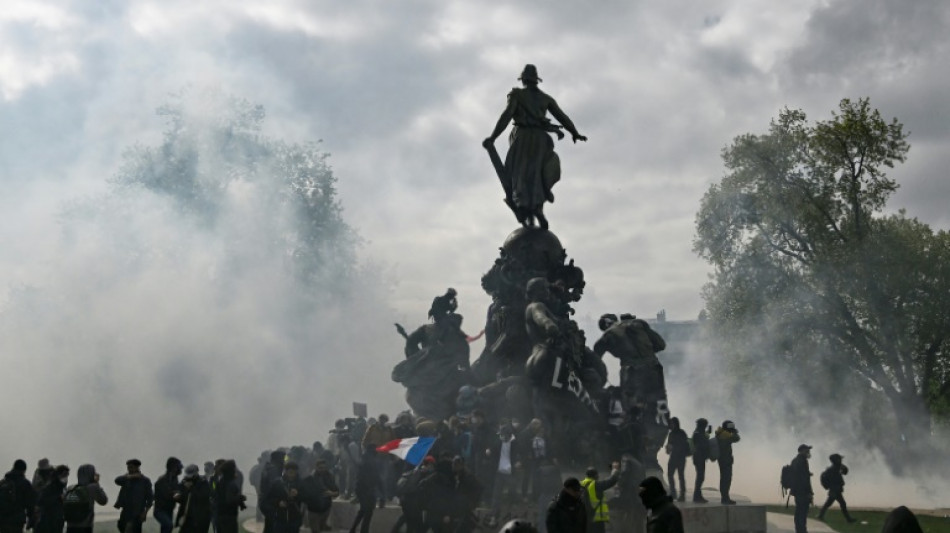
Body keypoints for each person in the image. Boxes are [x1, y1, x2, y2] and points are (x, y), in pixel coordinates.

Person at [483, 64, 587, 229]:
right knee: (537, 176)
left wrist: (493, 136)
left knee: (521, 177)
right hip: (540, 140)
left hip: (522, 139)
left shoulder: (517, 95)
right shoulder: (546, 99)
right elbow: (562, 117)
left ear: (523, 79)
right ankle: (537, 210)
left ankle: (528, 212)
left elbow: (507, 114)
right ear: (536, 80)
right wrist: (574, 132)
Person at [487, 423, 522, 527]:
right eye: (501, 435)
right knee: (496, 495)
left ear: (509, 435)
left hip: (510, 473)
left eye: (504, 436)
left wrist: (519, 461)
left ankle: (512, 515)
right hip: (499, 471)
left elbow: (521, 454)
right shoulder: (498, 441)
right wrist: (488, 451)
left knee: (512, 493)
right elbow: (492, 448)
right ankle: (494, 517)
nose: (502, 437)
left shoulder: (515, 443)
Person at [392, 457, 434, 533]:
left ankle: (394, 530)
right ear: (429, 464)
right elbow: (422, 489)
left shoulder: (414, 472)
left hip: (406, 500)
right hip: (414, 503)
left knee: (409, 523)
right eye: (432, 464)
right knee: (417, 525)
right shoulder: (423, 473)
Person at [64, 464, 109, 533]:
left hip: (70, 525)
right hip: (85, 526)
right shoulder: (92, 487)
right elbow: (103, 501)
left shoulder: (71, 488)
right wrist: (97, 483)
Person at [349, 447, 383, 533]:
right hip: (367, 490)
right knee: (368, 512)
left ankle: (353, 529)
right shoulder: (371, 462)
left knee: (363, 511)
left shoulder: (364, 461)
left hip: (363, 490)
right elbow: (378, 479)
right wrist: (382, 494)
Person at [114, 459, 153, 533]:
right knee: (121, 526)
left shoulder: (145, 481)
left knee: (133, 529)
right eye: (128, 467)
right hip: (126, 510)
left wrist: (145, 512)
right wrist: (129, 477)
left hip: (137, 511)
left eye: (131, 467)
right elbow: (117, 480)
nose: (129, 469)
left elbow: (150, 498)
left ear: (137, 468)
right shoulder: (126, 479)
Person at [262, 463, 303, 533]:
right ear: (285, 471)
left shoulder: (301, 483)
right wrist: (278, 502)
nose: (292, 475)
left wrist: (298, 494)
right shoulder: (277, 483)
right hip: (280, 519)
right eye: (290, 472)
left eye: (294, 472)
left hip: (295, 519)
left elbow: (308, 498)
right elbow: (268, 499)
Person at [579, 464, 620, 533]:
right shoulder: (595, 485)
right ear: (596, 476)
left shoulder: (581, 484)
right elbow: (610, 482)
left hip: (584, 520)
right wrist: (615, 471)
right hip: (596, 520)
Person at [816, 454, 855, 523]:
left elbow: (845, 471)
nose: (841, 460)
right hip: (835, 490)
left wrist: (842, 467)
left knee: (831, 503)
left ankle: (821, 515)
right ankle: (848, 519)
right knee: (839, 504)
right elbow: (841, 474)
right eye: (839, 459)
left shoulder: (836, 468)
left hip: (836, 489)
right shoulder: (833, 469)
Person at [302, 459, 338, 533]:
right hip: (313, 510)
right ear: (316, 467)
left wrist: (332, 493)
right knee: (315, 531)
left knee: (321, 529)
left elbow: (336, 491)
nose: (322, 470)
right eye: (320, 468)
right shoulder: (309, 479)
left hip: (325, 509)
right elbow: (304, 496)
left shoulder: (329, 477)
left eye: (324, 468)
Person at [175, 465, 211, 533]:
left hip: (200, 517)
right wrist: (177, 496)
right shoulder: (184, 481)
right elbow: (181, 495)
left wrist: (191, 488)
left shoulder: (203, 482)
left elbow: (203, 497)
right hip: (187, 516)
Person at [35, 465, 70, 533]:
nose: (66, 477)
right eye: (64, 475)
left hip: (58, 520)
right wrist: (58, 498)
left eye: (67, 475)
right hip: (49, 521)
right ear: (58, 475)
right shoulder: (50, 487)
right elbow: (41, 501)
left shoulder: (62, 488)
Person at [453, 457, 483, 533]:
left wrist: (472, 502)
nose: (455, 466)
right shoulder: (456, 475)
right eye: (454, 464)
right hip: (459, 507)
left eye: (457, 464)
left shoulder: (468, 476)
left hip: (466, 507)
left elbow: (479, 488)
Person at [214, 460, 244, 533]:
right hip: (229, 515)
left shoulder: (221, 481)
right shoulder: (231, 484)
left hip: (220, 514)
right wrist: (240, 498)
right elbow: (229, 499)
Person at [153, 458, 182, 533]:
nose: (179, 469)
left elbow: (176, 491)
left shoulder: (174, 478)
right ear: (173, 467)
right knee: (169, 525)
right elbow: (167, 494)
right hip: (160, 510)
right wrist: (175, 494)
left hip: (169, 510)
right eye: (178, 466)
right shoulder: (163, 479)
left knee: (166, 529)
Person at [663, 418, 689, 502]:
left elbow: (683, 446)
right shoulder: (672, 434)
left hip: (680, 458)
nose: (670, 425)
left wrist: (672, 447)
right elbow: (669, 445)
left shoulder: (681, 433)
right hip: (674, 457)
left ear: (675, 424)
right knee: (671, 475)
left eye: (671, 423)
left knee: (680, 476)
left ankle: (682, 495)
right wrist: (668, 449)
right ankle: (673, 493)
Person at [789, 444, 813, 533]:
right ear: (802, 450)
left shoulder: (795, 460)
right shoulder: (803, 461)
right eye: (807, 450)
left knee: (798, 511)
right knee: (803, 511)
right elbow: (804, 479)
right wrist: (809, 492)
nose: (808, 452)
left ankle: (798, 529)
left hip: (797, 491)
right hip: (803, 491)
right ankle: (802, 530)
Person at [714, 421, 740, 504]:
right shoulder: (725, 435)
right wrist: (735, 432)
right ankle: (725, 498)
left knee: (724, 479)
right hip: (726, 460)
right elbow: (736, 438)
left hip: (722, 460)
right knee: (726, 479)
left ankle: (725, 497)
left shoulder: (720, 433)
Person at [260, 451, 285, 533]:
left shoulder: (268, 468)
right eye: (283, 459)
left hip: (266, 501)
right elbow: (275, 487)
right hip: (271, 502)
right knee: (272, 527)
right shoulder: (273, 470)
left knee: (269, 526)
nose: (284, 461)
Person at [690, 419, 711, 503]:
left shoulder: (698, 432)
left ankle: (698, 495)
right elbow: (702, 444)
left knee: (700, 477)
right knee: (700, 477)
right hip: (699, 458)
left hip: (699, 457)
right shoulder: (698, 433)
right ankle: (697, 496)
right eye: (705, 425)